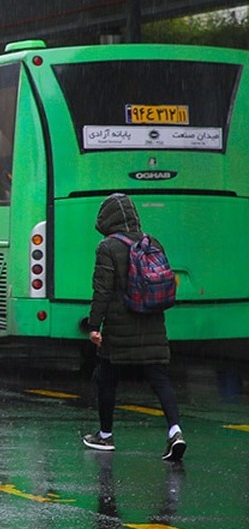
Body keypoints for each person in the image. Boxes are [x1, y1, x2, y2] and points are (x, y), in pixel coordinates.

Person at [82, 193, 185, 461]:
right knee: (160, 379)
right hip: (152, 322)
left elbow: (101, 291)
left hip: (119, 327)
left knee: (107, 378)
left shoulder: (108, 247)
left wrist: (94, 325)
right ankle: (175, 432)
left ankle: (105, 436)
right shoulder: (153, 242)